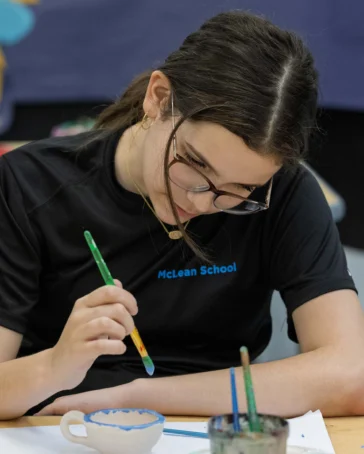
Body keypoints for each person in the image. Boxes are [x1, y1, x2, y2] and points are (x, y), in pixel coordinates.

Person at [0, 10, 363, 421]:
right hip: (59, 429)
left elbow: (350, 376)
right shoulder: (29, 185)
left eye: (240, 191)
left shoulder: (284, 192)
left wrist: (133, 396)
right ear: (157, 98)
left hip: (210, 429)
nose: (202, 202)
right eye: (194, 165)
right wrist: (54, 367)